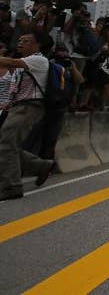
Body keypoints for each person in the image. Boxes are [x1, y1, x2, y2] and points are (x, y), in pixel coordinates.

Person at [0, 32, 56, 200]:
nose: (20, 43)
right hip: (18, 107)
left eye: (25, 41)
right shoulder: (23, 64)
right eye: (19, 40)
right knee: (8, 145)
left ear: (37, 45)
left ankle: (12, 186)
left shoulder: (38, 60)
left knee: (6, 144)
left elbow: (10, 62)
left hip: (29, 106)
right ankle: (41, 166)